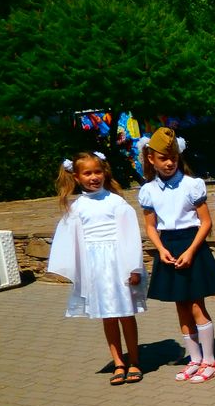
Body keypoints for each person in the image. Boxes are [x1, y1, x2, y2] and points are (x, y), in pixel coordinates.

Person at [48, 151, 146, 385]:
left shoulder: (116, 202)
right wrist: (78, 270)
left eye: (97, 172)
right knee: (107, 315)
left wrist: (133, 268)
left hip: (118, 263)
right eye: (87, 173)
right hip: (96, 267)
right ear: (77, 177)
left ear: (104, 172)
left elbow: (130, 235)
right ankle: (118, 362)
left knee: (125, 314)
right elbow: (71, 239)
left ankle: (134, 360)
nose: (94, 177)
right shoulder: (77, 207)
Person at [138, 127, 215, 383]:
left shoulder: (191, 185)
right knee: (181, 306)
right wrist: (161, 249)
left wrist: (190, 251)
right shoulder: (148, 190)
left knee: (197, 305)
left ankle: (210, 360)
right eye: (163, 158)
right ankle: (194, 359)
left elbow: (206, 222)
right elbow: (151, 226)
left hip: (191, 245)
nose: (169, 163)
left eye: (173, 158)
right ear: (151, 159)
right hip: (168, 246)